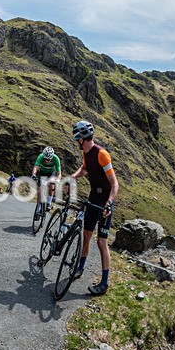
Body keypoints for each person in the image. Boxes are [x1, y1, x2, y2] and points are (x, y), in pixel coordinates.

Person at [69, 120, 119, 296]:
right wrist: (72, 177)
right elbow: (83, 170)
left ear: (81, 138)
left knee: (101, 242)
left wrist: (109, 203)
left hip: (105, 200)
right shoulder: (86, 154)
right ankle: (80, 267)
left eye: (77, 138)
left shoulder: (101, 154)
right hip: (93, 196)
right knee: (86, 234)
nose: (76, 142)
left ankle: (104, 284)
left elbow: (114, 183)